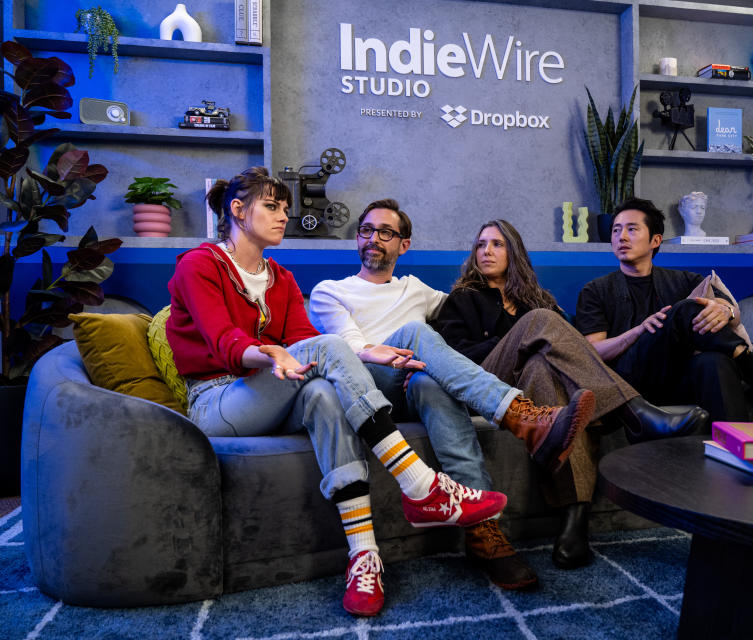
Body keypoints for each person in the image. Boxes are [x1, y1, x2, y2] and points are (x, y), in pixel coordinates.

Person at [166, 168, 509, 618]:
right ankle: (419, 482)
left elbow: (307, 343)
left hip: (270, 393)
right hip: (218, 398)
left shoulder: (282, 279)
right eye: (272, 207)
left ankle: (364, 556)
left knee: (324, 394)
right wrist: (272, 354)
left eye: (285, 209)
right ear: (237, 210)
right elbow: (221, 341)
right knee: (327, 351)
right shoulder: (200, 264)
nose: (282, 217)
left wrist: (360, 355)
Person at [309, 199, 597, 590]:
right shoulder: (330, 291)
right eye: (366, 230)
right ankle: (521, 416)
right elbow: (349, 350)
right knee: (416, 333)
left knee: (432, 381)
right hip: (363, 385)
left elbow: (478, 304)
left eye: (385, 232)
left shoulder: (416, 290)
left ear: (403, 245)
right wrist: (398, 353)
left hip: (413, 384)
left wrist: (538, 312)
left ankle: (484, 534)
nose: (373, 238)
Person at [434, 219, 708, 568]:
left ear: (513, 252)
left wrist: (531, 348)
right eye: (481, 245)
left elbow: (574, 352)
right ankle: (635, 412)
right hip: (488, 382)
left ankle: (574, 524)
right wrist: (515, 340)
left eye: (497, 244)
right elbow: (453, 358)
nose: (486, 251)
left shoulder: (537, 299)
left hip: (528, 390)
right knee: (539, 323)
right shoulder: (462, 299)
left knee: (548, 378)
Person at [575, 197, 753, 422]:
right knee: (682, 311)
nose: (621, 237)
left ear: (655, 240)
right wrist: (639, 330)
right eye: (616, 231)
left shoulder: (683, 280)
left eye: (631, 229)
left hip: (679, 378)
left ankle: (737, 454)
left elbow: (730, 311)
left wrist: (727, 311)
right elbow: (591, 353)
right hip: (632, 380)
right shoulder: (596, 290)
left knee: (714, 360)